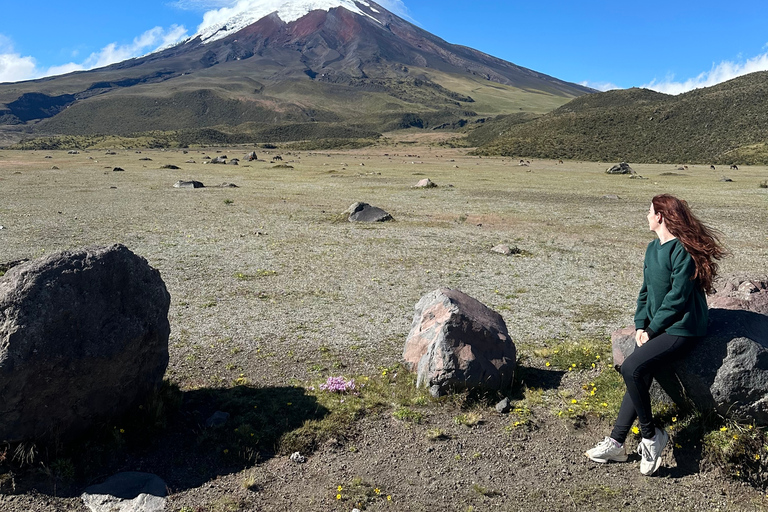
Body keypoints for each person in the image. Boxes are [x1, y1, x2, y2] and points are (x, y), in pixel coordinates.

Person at [585, 194, 727, 476]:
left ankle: (651, 437)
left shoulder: (682, 250)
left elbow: (678, 297)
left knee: (632, 367)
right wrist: (640, 324)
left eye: (649, 212)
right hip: (659, 327)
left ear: (660, 216)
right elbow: (646, 291)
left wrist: (652, 329)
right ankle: (616, 442)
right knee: (637, 371)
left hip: (684, 328)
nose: (647, 216)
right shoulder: (652, 249)